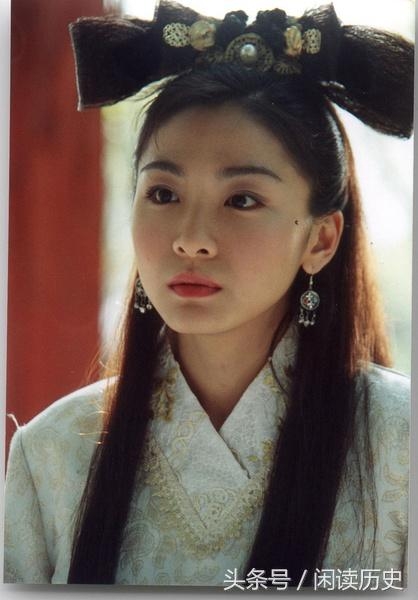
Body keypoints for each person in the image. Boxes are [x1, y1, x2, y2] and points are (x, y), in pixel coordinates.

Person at [4, 1, 412, 588]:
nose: (191, 239)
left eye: (242, 200)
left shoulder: (400, 443)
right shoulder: (51, 454)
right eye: (163, 194)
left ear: (320, 240)